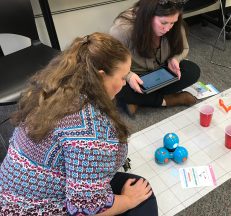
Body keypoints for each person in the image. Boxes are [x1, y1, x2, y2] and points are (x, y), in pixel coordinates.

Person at [0, 32, 158, 216]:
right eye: (123, 78)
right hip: (35, 210)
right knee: (144, 200)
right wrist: (128, 201)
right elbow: (85, 211)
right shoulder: (91, 129)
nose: (124, 83)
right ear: (100, 76)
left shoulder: (53, 90)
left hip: (8, 197)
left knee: (132, 184)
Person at [110, 0, 201, 116]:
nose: (168, 28)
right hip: (135, 76)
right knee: (114, 87)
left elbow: (183, 48)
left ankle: (138, 100)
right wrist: (128, 76)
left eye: (172, 23)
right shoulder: (122, 29)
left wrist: (174, 59)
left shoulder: (173, 22)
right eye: (163, 23)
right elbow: (112, 61)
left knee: (192, 70)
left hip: (161, 70)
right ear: (149, 16)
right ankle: (169, 100)